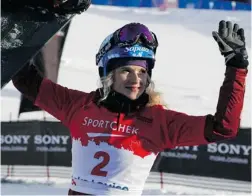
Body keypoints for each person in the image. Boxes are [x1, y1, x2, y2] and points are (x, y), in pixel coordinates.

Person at [12, 21, 249, 195]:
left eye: (143, 72)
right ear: (109, 75)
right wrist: (19, 30)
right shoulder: (79, 106)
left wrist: (236, 67)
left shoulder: (160, 122)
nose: (136, 79)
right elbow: (26, 81)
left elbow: (223, 128)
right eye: (126, 70)